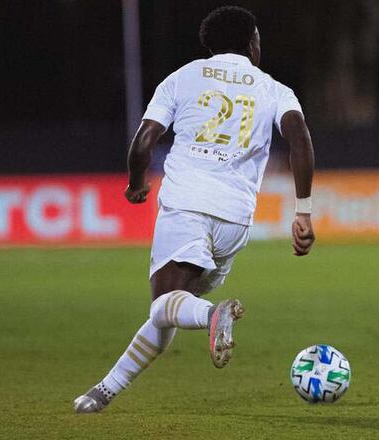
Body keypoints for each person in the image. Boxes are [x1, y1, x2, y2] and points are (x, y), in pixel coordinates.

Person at [73, 5, 315, 413]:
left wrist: (136, 184)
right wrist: (303, 211)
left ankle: (213, 315)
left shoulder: (181, 79)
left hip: (187, 203)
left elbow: (143, 143)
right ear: (251, 42)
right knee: (170, 308)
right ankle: (103, 392)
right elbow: (300, 140)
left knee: (166, 303)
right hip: (235, 219)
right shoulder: (275, 89)